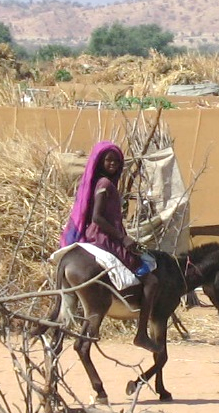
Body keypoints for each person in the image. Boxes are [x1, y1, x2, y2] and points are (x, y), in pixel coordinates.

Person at [61, 141, 159, 350]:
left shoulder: (103, 184)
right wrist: (124, 239)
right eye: (108, 160)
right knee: (150, 280)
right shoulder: (105, 184)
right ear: (100, 162)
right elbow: (97, 218)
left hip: (106, 236)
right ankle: (141, 333)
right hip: (104, 238)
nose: (113, 163)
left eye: (116, 160)